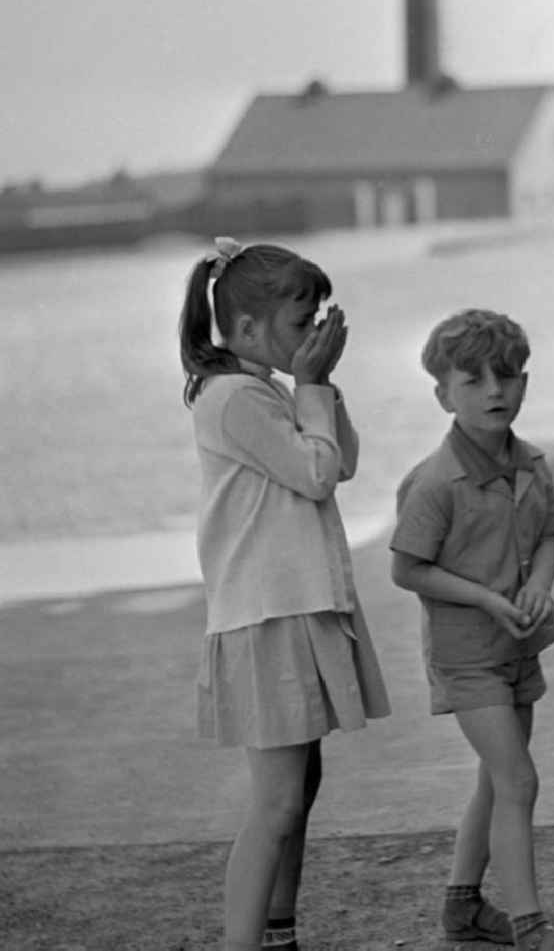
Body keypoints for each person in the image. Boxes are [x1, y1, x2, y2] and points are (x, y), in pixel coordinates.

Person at [179, 237, 390, 951]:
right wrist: (308, 387)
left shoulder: (266, 390)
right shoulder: (235, 399)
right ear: (244, 331)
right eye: (300, 326)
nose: (311, 338)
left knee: (299, 790)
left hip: (292, 609)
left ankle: (278, 931)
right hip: (266, 617)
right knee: (274, 802)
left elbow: (345, 459)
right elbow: (317, 474)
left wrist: (318, 382)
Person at [389, 309, 554, 951]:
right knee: (519, 779)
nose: (494, 391)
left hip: (518, 647)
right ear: (442, 395)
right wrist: (486, 599)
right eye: (474, 380)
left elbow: (547, 538)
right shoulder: (432, 483)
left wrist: (539, 586)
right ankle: (532, 929)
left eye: (507, 376)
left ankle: (462, 906)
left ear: (524, 382)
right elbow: (407, 569)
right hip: (467, 657)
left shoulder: (533, 464)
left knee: (496, 776)